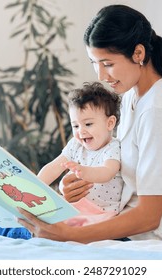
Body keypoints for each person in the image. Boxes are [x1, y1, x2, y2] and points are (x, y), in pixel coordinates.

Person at [16, 4, 162, 243]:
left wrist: (73, 235)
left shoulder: (159, 110)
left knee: (21, 234)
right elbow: (119, 175)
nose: (101, 76)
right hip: (124, 226)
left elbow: (149, 217)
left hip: (150, 237)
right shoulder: (132, 97)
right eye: (94, 63)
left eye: (108, 64)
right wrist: (76, 189)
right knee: (20, 229)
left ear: (139, 54)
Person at [38, 81, 124, 226]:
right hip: (77, 208)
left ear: (110, 123)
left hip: (102, 213)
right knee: (44, 220)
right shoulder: (76, 144)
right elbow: (54, 167)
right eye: (75, 125)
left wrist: (84, 172)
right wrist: (36, 184)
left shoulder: (113, 147)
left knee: (62, 226)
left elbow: (107, 172)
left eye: (88, 124)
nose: (81, 131)